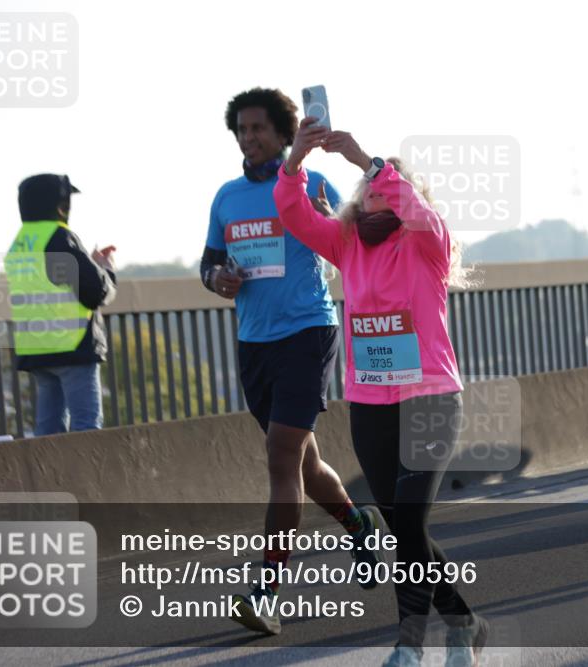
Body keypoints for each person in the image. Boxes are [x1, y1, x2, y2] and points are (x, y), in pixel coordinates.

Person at [274, 118, 486, 667]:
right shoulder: (347, 245)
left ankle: (409, 646)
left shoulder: (426, 242)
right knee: (402, 526)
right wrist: (295, 160)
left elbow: (419, 212)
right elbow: (294, 213)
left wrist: (366, 160)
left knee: (410, 521)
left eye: (384, 185)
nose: (373, 192)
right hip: (371, 403)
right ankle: (464, 623)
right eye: (366, 189)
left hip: (429, 398)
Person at [199, 88, 383, 636]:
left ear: (284, 134)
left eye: (258, 128)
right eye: (242, 129)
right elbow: (209, 264)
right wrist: (218, 279)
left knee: (280, 456)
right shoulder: (226, 198)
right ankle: (358, 524)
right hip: (254, 343)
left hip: (308, 331)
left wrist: (334, 221)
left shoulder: (313, 182)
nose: (248, 137)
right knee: (303, 464)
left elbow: (353, 243)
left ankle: (267, 592)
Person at [5, 174, 116, 435]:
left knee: (48, 433)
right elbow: (95, 292)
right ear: (60, 206)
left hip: (37, 349)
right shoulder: (58, 237)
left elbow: (53, 280)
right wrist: (107, 270)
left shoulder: (21, 243)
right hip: (71, 346)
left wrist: (89, 263)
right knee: (86, 428)